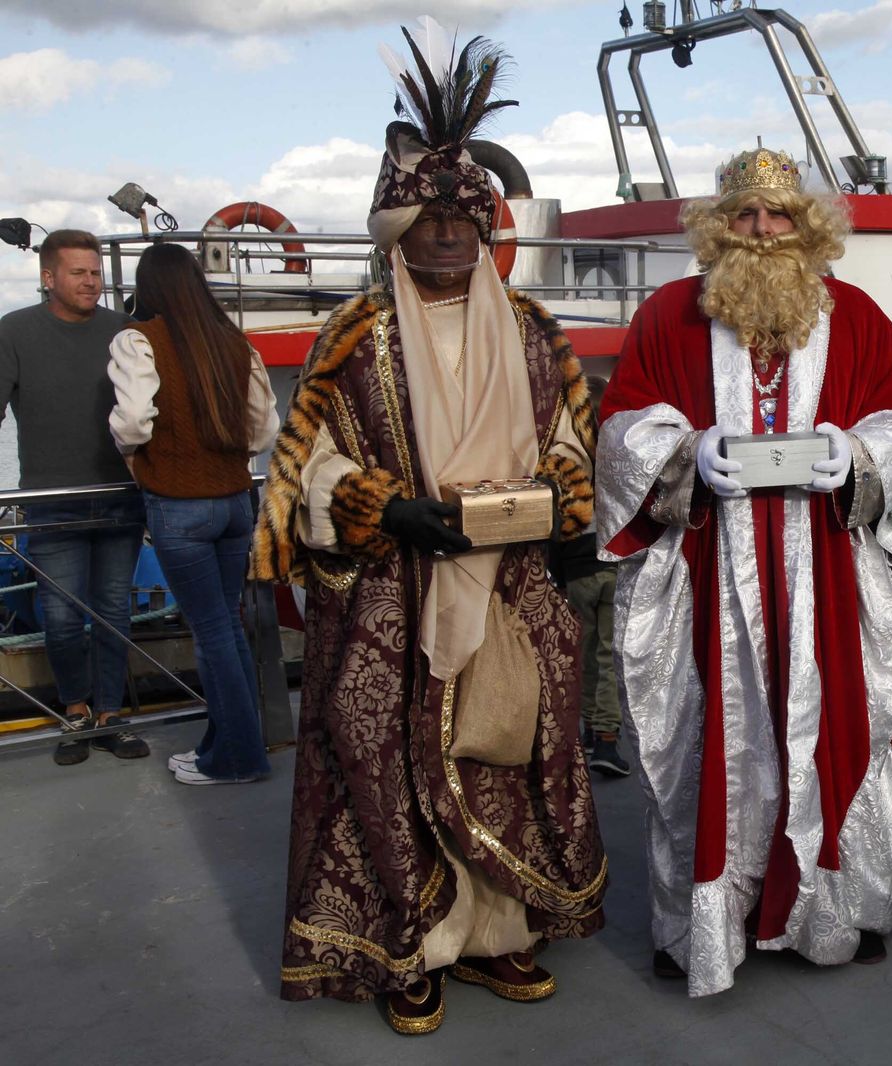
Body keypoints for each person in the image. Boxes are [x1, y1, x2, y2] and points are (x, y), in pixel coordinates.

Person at [248, 22, 605, 1035]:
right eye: (428, 216)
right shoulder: (350, 335)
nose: (449, 233)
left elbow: (573, 448)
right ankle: (412, 944)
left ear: (488, 227)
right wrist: (381, 507)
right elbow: (301, 463)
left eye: (466, 215)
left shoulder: (537, 332)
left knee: (507, 759)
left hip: (511, 588)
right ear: (395, 229)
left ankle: (496, 934)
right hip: (387, 598)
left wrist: (558, 506)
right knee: (391, 769)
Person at [595, 145, 892, 997]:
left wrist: (854, 457)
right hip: (711, 568)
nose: (762, 229)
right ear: (719, 227)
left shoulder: (854, 315)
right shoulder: (671, 312)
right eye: (744, 214)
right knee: (707, 736)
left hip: (824, 564)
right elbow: (621, 421)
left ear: (807, 226)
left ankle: (837, 907)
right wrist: (684, 451)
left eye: (778, 215)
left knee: (841, 727)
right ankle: (704, 919)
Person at [107, 243, 279, 784]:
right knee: (227, 627)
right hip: (234, 502)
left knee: (212, 635)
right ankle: (222, 745)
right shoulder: (232, 341)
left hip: (179, 507)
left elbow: (133, 420)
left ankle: (237, 759)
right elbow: (264, 430)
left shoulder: (138, 340)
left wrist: (136, 458)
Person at [0, 228, 149, 765]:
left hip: (119, 496)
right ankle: (76, 712)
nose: (92, 281)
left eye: (96, 272)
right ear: (48, 278)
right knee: (61, 616)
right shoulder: (14, 331)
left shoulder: (124, 331)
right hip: (51, 499)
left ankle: (111, 714)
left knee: (113, 610)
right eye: (80, 273)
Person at [553, 375, 629, 779]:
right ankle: (606, 739)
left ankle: (583, 730)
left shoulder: (568, 459)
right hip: (614, 563)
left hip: (576, 568)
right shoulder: (619, 456)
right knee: (607, 656)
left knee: (581, 655)